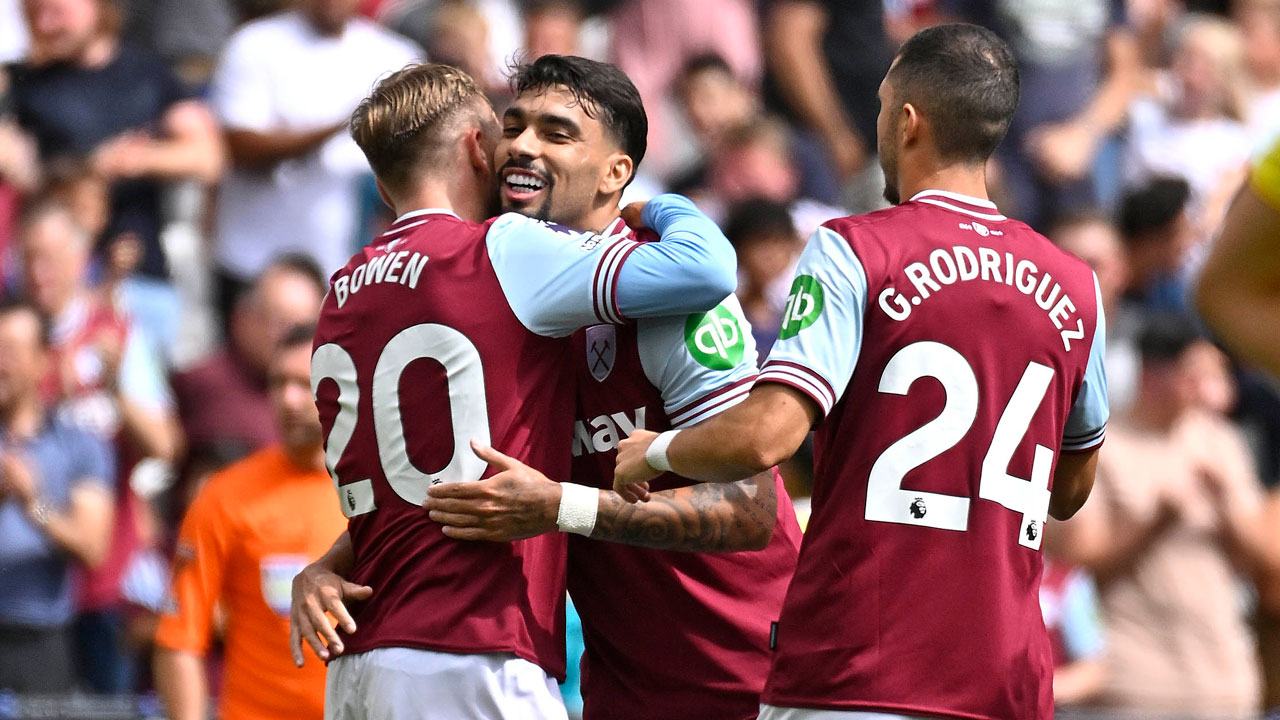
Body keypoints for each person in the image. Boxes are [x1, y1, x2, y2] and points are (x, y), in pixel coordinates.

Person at [614, 24, 1110, 720]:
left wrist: (656, 450)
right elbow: (1069, 491)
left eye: (881, 106)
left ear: (908, 123)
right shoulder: (1078, 288)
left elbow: (766, 437)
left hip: (861, 671)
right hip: (1008, 683)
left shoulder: (854, 250)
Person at [293, 54, 801, 720]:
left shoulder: (672, 297)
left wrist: (564, 505)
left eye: (557, 133)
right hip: (622, 687)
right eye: (514, 125)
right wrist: (333, 561)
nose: (522, 146)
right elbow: (449, 484)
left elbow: (748, 512)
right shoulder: (491, 294)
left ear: (616, 172)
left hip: (751, 676)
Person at [1045, 316, 1264, 719]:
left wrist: (1228, 510)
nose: (1206, 390)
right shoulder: (1102, 446)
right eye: (1192, 376)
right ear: (1153, 375)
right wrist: (1155, 522)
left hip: (1228, 684)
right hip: (1138, 687)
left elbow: (1263, 563)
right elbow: (1074, 562)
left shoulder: (1221, 441)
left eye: (1211, 376)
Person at [153, 323, 346, 720]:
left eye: (302, 383)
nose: (289, 400)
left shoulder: (376, 493)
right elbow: (179, 639)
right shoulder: (225, 496)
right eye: (277, 384)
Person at [7, 0, 223, 351]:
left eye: (55, 12)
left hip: (140, 277)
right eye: (35, 15)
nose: (46, 24)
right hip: (57, 282)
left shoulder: (145, 72)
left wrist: (135, 159)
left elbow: (208, 155)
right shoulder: (26, 84)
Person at [208, 0, 420, 321]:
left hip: (351, 269)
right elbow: (241, 147)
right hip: (255, 263)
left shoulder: (397, 55)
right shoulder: (255, 44)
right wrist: (344, 123)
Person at [0, 297, 114, 692]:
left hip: (40, 640)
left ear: (42, 360)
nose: (1, 362)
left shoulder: (78, 445)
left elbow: (92, 547)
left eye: (11, 350)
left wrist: (35, 505)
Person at [169, 255, 326, 500]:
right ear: (242, 315)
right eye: (278, 321)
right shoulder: (203, 384)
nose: (287, 338)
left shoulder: (334, 398)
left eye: (302, 328)